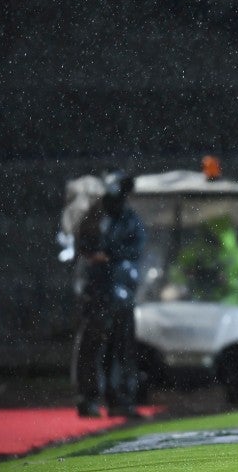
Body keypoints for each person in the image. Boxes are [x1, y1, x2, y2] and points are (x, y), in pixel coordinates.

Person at [72, 170, 146, 418]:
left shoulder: (127, 217)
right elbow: (89, 248)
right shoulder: (95, 216)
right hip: (98, 292)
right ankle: (90, 399)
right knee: (93, 346)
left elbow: (135, 246)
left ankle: (120, 400)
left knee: (121, 348)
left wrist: (111, 254)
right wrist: (110, 255)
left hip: (122, 292)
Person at [168, 214, 238, 306]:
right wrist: (189, 273)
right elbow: (174, 273)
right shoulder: (196, 251)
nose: (212, 239)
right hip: (198, 305)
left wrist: (228, 280)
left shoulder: (235, 254)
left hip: (227, 307)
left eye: (215, 236)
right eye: (210, 235)